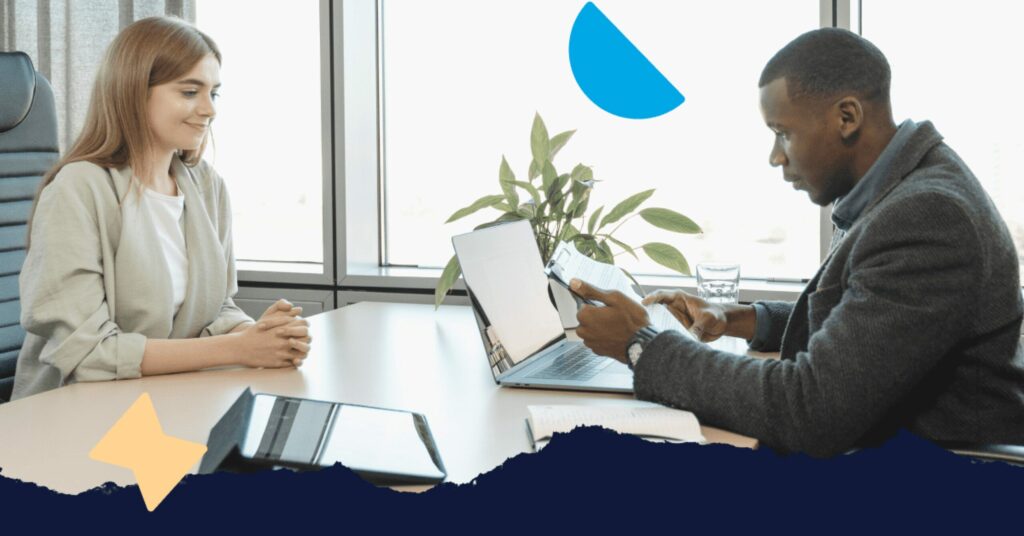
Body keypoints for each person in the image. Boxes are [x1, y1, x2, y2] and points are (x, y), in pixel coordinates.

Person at [572, 28, 1024, 457]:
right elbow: (867, 317)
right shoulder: (905, 187)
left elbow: (809, 410)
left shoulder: (927, 216)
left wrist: (641, 346)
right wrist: (739, 318)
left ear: (847, 117)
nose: (776, 156)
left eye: (783, 133)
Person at [13, 17, 312, 399]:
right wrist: (238, 349)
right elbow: (88, 354)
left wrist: (261, 335)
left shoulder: (207, 187)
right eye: (190, 92)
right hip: (75, 412)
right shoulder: (78, 189)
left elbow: (217, 309)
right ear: (134, 92)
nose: (209, 110)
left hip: (162, 400)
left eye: (213, 93)